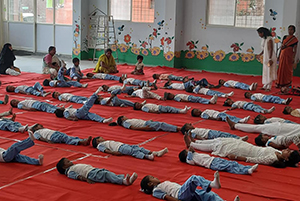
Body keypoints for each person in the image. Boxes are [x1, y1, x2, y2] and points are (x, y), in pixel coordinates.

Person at [185, 134, 300, 168]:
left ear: (286, 158)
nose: (287, 150)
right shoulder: (278, 152)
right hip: (248, 146)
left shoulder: (272, 159)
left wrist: (236, 157)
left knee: (218, 146)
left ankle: (192, 144)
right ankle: (197, 142)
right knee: (220, 141)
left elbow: (254, 160)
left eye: (288, 152)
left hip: (244, 152)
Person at [140, 172, 239, 201]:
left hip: (185, 192)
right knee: (193, 179)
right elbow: (166, 196)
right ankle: (211, 184)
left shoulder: (162, 183)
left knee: (209, 195)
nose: (155, 177)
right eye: (152, 177)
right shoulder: (156, 190)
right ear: (150, 184)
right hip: (180, 195)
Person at [179, 144, 258, 175]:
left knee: (232, 163)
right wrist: (189, 150)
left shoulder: (193, 154)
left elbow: (191, 150)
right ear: (186, 154)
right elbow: (190, 150)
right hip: (211, 164)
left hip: (213, 159)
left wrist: (191, 149)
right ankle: (246, 171)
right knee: (229, 167)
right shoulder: (189, 160)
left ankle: (248, 167)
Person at [56, 158, 137, 185]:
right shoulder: (70, 171)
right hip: (90, 174)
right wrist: (86, 179)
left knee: (107, 173)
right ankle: (123, 181)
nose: (70, 161)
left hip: (93, 170)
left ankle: (123, 178)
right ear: (64, 167)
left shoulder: (73, 166)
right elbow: (77, 176)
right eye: (67, 162)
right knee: (106, 175)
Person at [92, 136, 168, 160]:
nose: (102, 138)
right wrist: (114, 153)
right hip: (119, 148)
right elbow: (105, 150)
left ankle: (154, 152)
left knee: (137, 148)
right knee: (133, 151)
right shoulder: (100, 145)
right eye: (100, 138)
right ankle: (146, 156)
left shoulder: (106, 142)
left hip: (122, 145)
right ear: (98, 141)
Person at [227, 117, 300, 137]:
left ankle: (235, 125)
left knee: (257, 128)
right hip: (281, 126)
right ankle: (236, 125)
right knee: (258, 127)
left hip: (278, 130)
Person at [256, 27, 277, 91]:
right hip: (266, 57)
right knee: (265, 71)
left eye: (259, 33)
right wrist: (260, 54)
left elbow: (270, 49)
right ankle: (265, 85)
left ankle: (269, 86)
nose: (259, 35)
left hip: (270, 57)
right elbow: (264, 49)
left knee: (269, 71)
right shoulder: (264, 39)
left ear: (262, 33)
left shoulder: (269, 39)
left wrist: (270, 59)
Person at [180, 123, 247, 140]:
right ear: (187, 128)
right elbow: (196, 136)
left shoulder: (193, 129)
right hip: (209, 134)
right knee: (223, 136)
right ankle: (237, 139)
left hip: (210, 132)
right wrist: (203, 139)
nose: (191, 124)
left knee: (224, 134)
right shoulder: (190, 132)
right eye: (189, 125)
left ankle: (237, 137)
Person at [117, 116, 181, 132]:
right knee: (161, 124)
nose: (126, 117)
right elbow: (132, 127)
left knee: (160, 125)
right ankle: (177, 128)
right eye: (124, 116)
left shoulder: (127, 121)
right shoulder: (125, 123)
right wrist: (144, 128)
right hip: (145, 125)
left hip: (146, 123)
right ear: (122, 119)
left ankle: (176, 128)